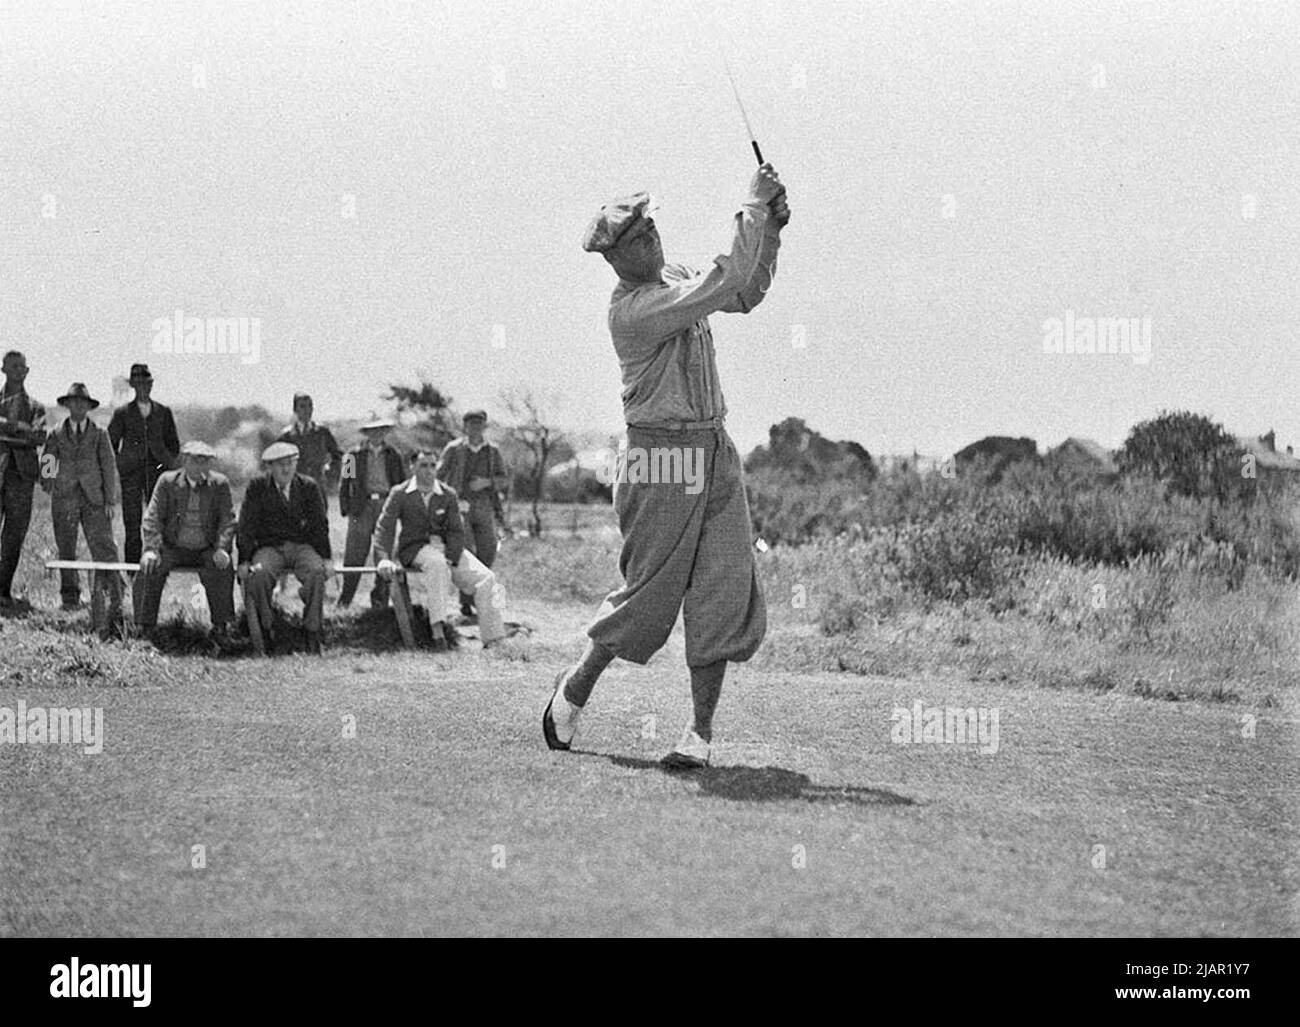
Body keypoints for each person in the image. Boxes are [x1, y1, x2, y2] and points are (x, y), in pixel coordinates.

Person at [544, 164, 791, 768]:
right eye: (636, 237)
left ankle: (698, 737)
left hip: (714, 448)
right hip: (662, 459)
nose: (651, 237)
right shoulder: (634, 310)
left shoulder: (679, 278)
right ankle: (574, 691)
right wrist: (754, 208)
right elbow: (724, 276)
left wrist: (772, 230)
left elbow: (743, 290)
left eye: (651, 225)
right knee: (648, 598)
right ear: (614, 258)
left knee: (721, 588)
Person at [373, 449, 507, 650]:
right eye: (423, 466)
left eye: (432, 466)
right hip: (416, 549)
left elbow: (456, 530)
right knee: (436, 564)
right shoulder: (400, 493)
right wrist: (383, 558)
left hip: (446, 549)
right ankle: (438, 633)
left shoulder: (447, 493)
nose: (429, 471)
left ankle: (493, 639)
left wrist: (452, 556)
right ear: (412, 468)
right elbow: (385, 528)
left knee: (486, 577)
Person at [237, 441, 334, 655]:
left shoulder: (308, 486)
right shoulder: (257, 487)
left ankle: (311, 631)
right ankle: (268, 627)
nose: (286, 469)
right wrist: (244, 560)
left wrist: (326, 558)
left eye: (290, 463)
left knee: (317, 572)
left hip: (301, 546)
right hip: (269, 547)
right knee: (259, 574)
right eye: (280, 464)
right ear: (269, 467)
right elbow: (246, 526)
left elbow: (319, 524)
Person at [137, 440, 236, 640]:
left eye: (205, 461)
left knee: (223, 567)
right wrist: (151, 549)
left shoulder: (219, 484)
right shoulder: (167, 482)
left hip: (206, 548)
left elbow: (228, 519)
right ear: (184, 460)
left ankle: (221, 629)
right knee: (149, 567)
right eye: (195, 460)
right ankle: (144, 629)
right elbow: (152, 516)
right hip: (173, 547)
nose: (200, 466)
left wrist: (222, 548)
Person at [41, 383, 123, 618]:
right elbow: (48, 461)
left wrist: (109, 500)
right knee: (66, 547)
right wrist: (51, 486)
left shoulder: (100, 434)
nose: (78, 406)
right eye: (73, 402)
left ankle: (110, 596)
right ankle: (70, 597)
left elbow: (108, 467)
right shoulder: (55, 433)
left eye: (82, 403)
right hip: (64, 499)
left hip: (94, 499)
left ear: (89, 407)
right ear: (67, 405)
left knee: (104, 546)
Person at [436, 410, 509, 619]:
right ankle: (465, 603)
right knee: (466, 552)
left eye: (479, 424)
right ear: (465, 426)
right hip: (460, 505)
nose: (475, 428)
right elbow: (438, 476)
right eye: (471, 424)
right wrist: (449, 499)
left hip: (484, 505)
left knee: (488, 550)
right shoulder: (454, 449)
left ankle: (480, 595)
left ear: (484, 426)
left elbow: (504, 480)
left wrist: (487, 482)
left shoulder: (492, 451)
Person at [108, 363, 179, 566]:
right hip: (131, 473)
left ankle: (158, 566)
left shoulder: (163, 412)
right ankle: (132, 569)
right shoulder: (122, 413)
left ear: (151, 385)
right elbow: (109, 443)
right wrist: (120, 462)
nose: (142, 388)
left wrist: (166, 460)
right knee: (132, 522)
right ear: (133, 386)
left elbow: (174, 444)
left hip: (157, 472)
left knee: (158, 520)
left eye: (146, 383)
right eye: (138, 384)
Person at [337, 418, 406, 609]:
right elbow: (344, 484)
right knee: (354, 554)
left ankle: (379, 603)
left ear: (385, 432)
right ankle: (345, 601)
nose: (377, 434)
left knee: (383, 554)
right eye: (372, 430)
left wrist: (400, 509)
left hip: (386, 504)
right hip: (361, 505)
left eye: (381, 430)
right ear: (366, 433)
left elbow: (401, 482)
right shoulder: (352, 455)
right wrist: (347, 509)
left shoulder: (394, 455)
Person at [0, 350, 48, 609]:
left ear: (28, 372)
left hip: (22, 478)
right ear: (3, 369)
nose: (19, 370)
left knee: (14, 536)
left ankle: (3, 591)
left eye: (23, 366)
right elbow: (29, 438)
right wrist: (22, 433)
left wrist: (8, 428)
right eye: (13, 366)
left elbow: (41, 438)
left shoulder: (36, 407)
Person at [277, 391, 342, 496]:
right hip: (295, 490)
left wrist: (332, 475)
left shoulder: (322, 432)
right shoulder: (286, 436)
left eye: (310, 406)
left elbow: (338, 456)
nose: (307, 410)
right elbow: (276, 463)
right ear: (295, 410)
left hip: (318, 488)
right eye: (302, 406)